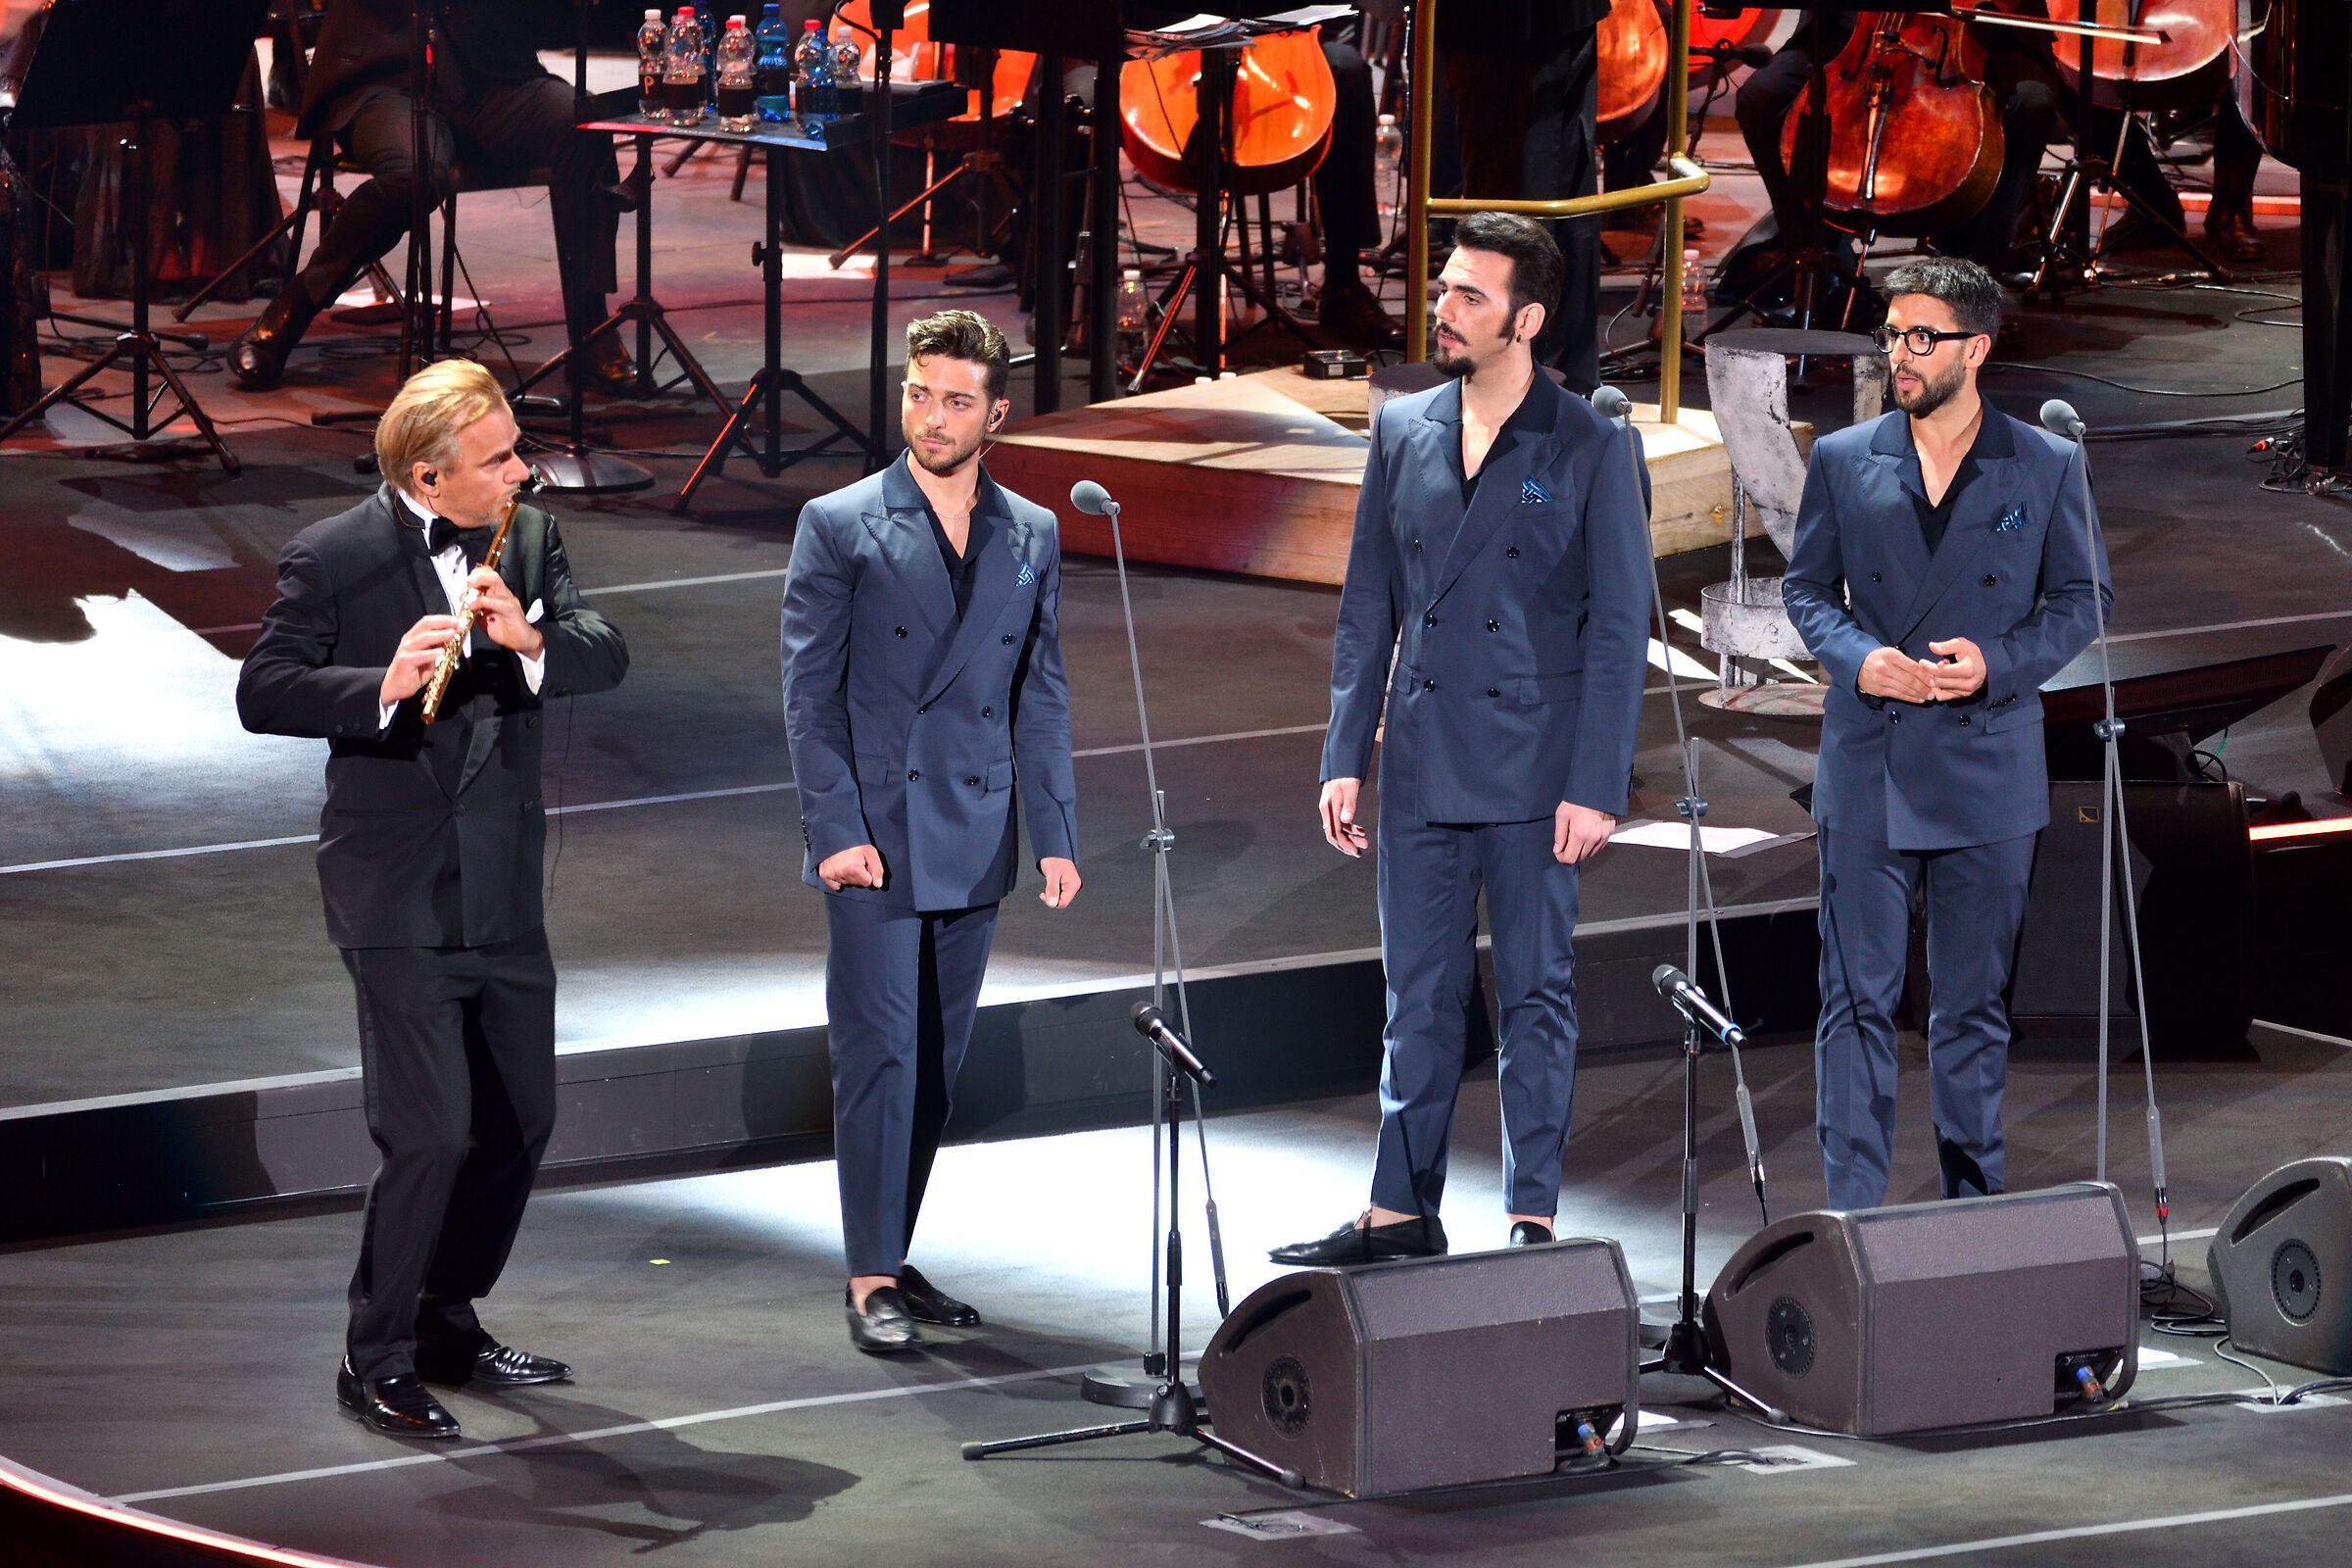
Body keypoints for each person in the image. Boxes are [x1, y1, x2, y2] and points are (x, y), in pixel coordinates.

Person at [236, 359, 629, 1439]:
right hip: (395, 884)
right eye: (498, 459)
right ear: (429, 472)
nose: (521, 471)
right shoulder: (334, 555)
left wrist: (532, 640)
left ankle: (447, 1315)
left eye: (515, 450)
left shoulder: (532, 541)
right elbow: (263, 690)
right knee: (431, 1133)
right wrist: (377, 687)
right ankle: (378, 1351)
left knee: (521, 1121)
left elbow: (606, 649)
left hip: (502, 883)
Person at [1271, 212, 1650, 1264]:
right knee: (1417, 994)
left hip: (1538, 777)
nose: (1443, 307)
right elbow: (1368, 604)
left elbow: (1621, 628)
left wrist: (1597, 783)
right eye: (1444, 288)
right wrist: (1346, 753)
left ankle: (1531, 1210)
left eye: (1470, 295)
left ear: (1527, 318)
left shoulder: (1591, 445)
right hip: (1426, 762)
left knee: (1534, 995)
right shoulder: (1405, 428)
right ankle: (1400, 1208)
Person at [780, 310, 1081, 1354]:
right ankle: (869, 1275)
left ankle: (891, 1249)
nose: (932, 414)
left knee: (939, 1059)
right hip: (875, 833)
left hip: (977, 826)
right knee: (879, 1056)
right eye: (919, 392)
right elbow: (807, 696)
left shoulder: (1033, 531)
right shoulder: (841, 522)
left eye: (957, 399)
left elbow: (1037, 694)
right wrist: (833, 830)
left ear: (997, 413)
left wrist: (1056, 833)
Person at [1781, 256, 2109, 1211]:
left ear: (1978, 346)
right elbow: (1808, 589)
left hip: (1986, 769)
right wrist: (1857, 658)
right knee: (1854, 1006)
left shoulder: (2043, 463)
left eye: (1922, 338)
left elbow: (2083, 598)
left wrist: (1997, 665)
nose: (1901, 354)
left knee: (1970, 1010)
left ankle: (1976, 1220)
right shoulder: (1846, 458)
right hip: (1871, 767)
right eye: (1893, 335)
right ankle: (1852, 1220)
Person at [229, 0, 630, 392]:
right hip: (382, 82)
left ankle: (592, 331)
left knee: (582, 127)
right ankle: (291, 310)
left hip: (492, 78)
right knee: (414, 171)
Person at [1438, 0, 1608, 393]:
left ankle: (1518, 390)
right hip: (1557, 17)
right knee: (1562, 200)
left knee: (1515, 206)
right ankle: (1568, 386)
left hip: (1500, 24)